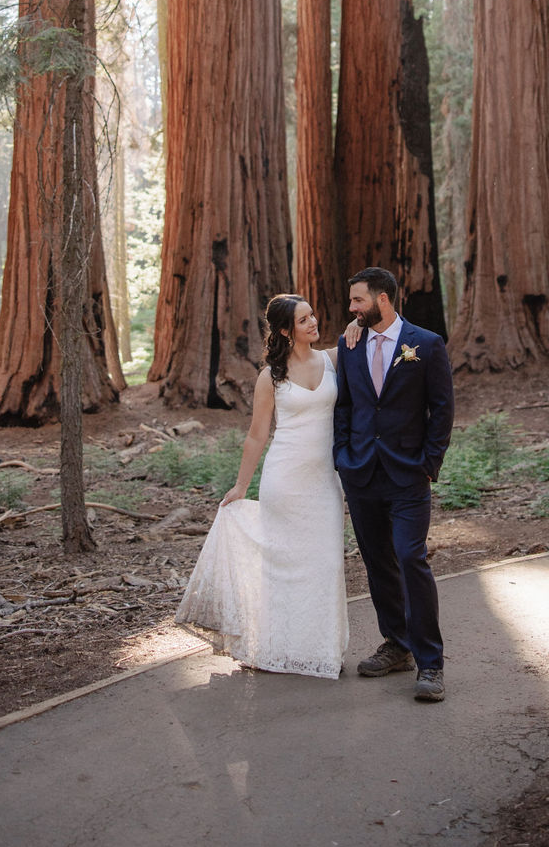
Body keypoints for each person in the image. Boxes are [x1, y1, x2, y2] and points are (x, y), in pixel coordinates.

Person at [176, 294, 349, 679]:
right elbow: (256, 436)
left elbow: (362, 337)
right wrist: (241, 486)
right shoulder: (270, 377)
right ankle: (277, 649)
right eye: (303, 320)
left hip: (324, 482)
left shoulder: (332, 360)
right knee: (281, 567)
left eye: (312, 316)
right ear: (286, 331)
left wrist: (358, 323)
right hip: (284, 481)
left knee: (325, 564)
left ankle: (320, 651)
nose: (313, 323)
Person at [334, 267, 455, 703]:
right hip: (362, 471)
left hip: (408, 474)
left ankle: (431, 663)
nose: (351, 309)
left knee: (410, 557)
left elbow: (441, 410)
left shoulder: (426, 344)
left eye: (357, 301)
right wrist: (343, 456)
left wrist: (429, 463)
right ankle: (397, 644)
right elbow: (345, 405)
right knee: (377, 562)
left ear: (382, 300)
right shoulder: (350, 345)